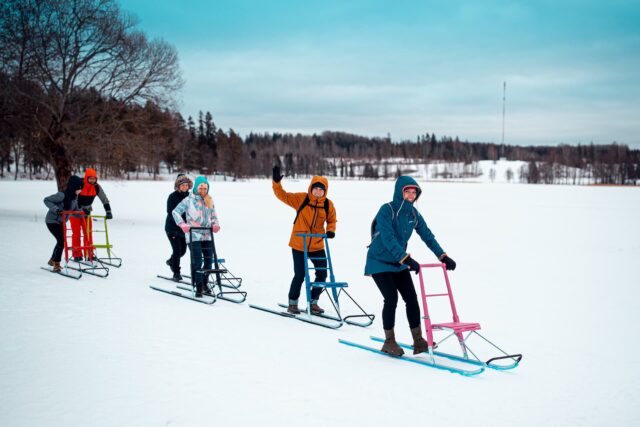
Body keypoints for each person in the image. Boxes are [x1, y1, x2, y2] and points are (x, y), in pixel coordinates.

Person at [365, 176, 457, 357]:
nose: (410, 195)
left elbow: (427, 235)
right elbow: (387, 237)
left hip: (399, 263)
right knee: (391, 298)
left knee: (412, 299)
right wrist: (405, 258)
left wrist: (443, 256)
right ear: (400, 192)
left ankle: (418, 340)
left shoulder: (413, 214)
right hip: (379, 261)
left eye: (414, 192)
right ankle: (389, 341)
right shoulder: (387, 210)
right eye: (407, 191)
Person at [272, 165, 337, 315]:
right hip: (299, 244)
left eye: (321, 190)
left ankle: (313, 302)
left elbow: (332, 220)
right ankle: (292, 304)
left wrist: (331, 230)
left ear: (325, 191)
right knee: (300, 275)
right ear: (311, 188)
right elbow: (282, 195)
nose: (318, 192)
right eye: (316, 189)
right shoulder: (301, 199)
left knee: (322, 273)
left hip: (317, 244)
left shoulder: (328, 204)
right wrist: (276, 182)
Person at [172, 176, 220, 297]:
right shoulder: (188, 200)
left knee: (209, 261)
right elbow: (175, 212)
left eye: (205, 188)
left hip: (207, 235)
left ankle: (204, 282)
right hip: (193, 235)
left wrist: (215, 224)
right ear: (196, 188)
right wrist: (182, 224)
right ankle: (197, 285)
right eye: (200, 188)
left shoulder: (209, 200)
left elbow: (213, 215)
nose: (203, 190)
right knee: (197, 261)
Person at [43, 176, 85, 272]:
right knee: (62, 241)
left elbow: (75, 211)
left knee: (60, 241)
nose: (80, 191)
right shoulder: (61, 195)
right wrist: (56, 210)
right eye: (79, 188)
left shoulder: (74, 198)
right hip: (52, 221)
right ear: (74, 187)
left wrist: (83, 213)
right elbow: (46, 200)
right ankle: (56, 264)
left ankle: (52, 260)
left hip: (61, 222)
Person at [70, 167, 112, 261]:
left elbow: (104, 198)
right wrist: (80, 209)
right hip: (75, 213)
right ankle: (77, 254)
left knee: (88, 234)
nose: (92, 180)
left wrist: (108, 211)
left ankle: (89, 254)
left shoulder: (97, 187)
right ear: (86, 178)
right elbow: (73, 199)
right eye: (90, 178)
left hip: (87, 213)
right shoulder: (79, 185)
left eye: (94, 178)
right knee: (76, 233)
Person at [165, 174, 193, 281]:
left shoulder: (190, 196)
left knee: (182, 251)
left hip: (184, 229)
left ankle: (172, 261)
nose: (185, 187)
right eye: (182, 185)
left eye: (186, 185)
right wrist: (180, 223)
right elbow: (171, 212)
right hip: (172, 229)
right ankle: (176, 272)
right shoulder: (172, 197)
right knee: (177, 250)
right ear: (178, 185)